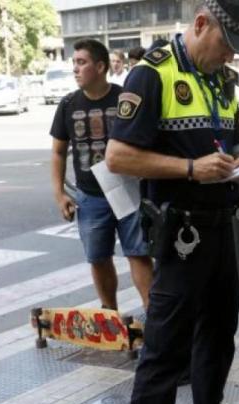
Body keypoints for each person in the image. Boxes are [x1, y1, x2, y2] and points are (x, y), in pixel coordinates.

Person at [105, 0, 239, 404]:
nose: (228, 57)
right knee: (165, 349)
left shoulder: (223, 81)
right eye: (225, 45)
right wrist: (191, 170)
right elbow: (119, 156)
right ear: (200, 25)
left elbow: (235, 138)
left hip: (224, 229)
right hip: (181, 234)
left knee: (219, 333)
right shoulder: (151, 75)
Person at [50, 39, 152, 311]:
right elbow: (58, 152)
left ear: (100, 66)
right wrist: (60, 194)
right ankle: (110, 316)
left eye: (81, 63)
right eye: (74, 63)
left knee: (139, 254)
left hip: (128, 191)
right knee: (98, 257)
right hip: (90, 197)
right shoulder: (68, 104)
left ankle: (154, 317)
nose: (75, 69)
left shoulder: (124, 99)